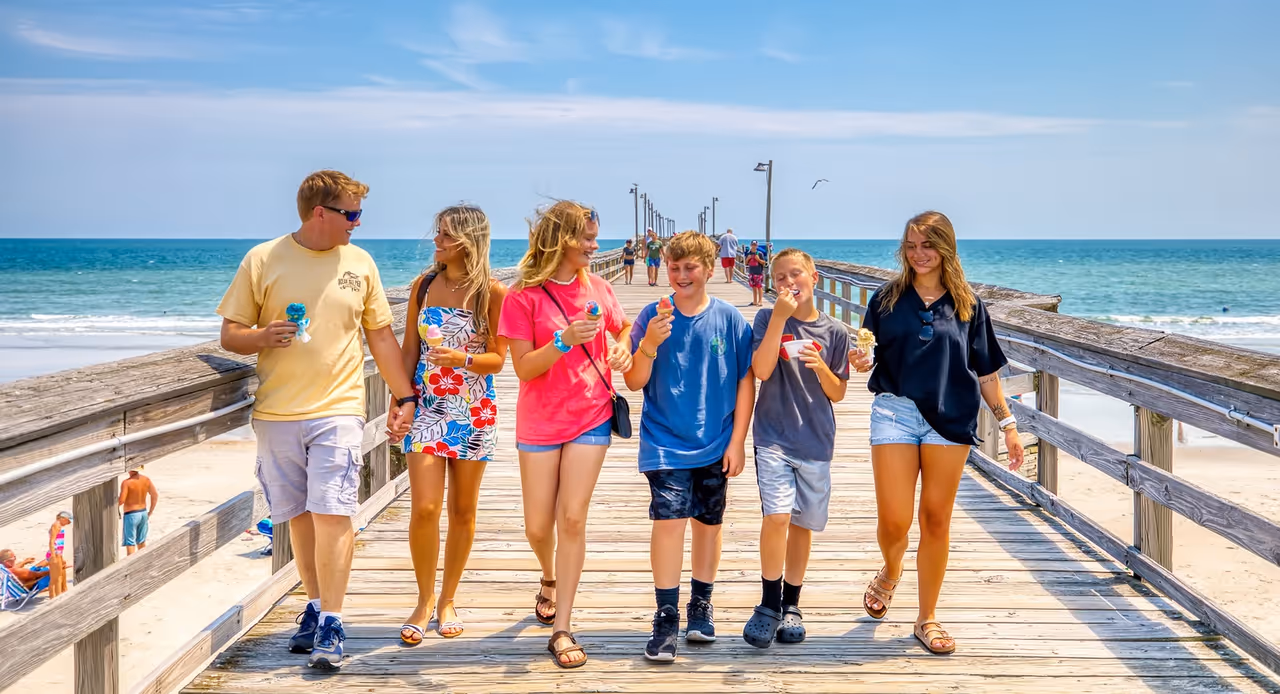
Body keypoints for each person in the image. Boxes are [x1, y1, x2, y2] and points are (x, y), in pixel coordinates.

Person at [217, 170, 416, 671]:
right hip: (277, 412)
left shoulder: (360, 262)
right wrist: (263, 336)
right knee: (299, 520)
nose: (358, 223)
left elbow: (382, 339)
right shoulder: (262, 258)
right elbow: (230, 334)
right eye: (350, 214)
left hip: (339, 408)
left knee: (333, 513)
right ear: (319, 213)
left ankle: (332, 619)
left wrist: (405, 395)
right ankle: (313, 605)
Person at [849, 211, 1024, 655]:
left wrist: (1008, 424)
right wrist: (861, 361)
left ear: (945, 248)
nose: (918, 254)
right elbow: (867, 351)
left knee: (934, 519)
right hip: (895, 412)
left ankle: (926, 618)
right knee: (894, 520)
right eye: (911, 245)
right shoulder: (886, 299)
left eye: (927, 245)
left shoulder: (969, 305)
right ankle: (891, 570)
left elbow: (986, 373)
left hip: (950, 419)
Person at [498, 200, 633, 669]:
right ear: (561, 240)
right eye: (588, 238)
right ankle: (548, 576)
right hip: (539, 420)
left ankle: (563, 628)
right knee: (539, 525)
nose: (595, 246)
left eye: (596, 237)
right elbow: (523, 368)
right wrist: (563, 340)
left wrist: (619, 347)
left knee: (571, 518)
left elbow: (623, 329)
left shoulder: (598, 287)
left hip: (592, 412)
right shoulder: (521, 297)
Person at [624, 231, 754, 662]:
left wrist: (736, 441)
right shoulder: (651, 315)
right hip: (664, 441)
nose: (681, 275)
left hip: (716, 441)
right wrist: (649, 345)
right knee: (668, 523)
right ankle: (665, 613)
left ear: (710, 270)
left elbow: (744, 380)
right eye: (674, 267)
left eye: (690, 267)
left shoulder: (730, 318)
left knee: (709, 524)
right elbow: (634, 380)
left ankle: (701, 603)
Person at [398, 205, 509, 644]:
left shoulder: (492, 293)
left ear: (467, 240)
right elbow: (409, 348)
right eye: (438, 234)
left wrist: (461, 358)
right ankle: (424, 600)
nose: (437, 242)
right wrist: (401, 398)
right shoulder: (423, 286)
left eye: (444, 236)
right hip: (427, 407)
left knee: (463, 510)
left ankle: (448, 599)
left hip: (472, 409)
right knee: (424, 507)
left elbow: (500, 360)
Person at [741, 249, 850, 648]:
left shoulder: (835, 332)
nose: (790, 282)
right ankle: (769, 603)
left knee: (803, 524)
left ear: (814, 277)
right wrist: (780, 319)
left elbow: (838, 391)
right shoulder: (767, 319)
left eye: (797, 274)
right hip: (773, 436)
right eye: (782, 277)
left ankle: (792, 604)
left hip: (816, 440)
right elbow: (763, 370)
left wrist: (821, 366)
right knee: (777, 517)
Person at [119, 466, 159, 556]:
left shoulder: (126, 483)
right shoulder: (146, 480)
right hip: (143, 513)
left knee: (130, 542)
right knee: (141, 541)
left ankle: (130, 567)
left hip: (131, 514)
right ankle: (143, 564)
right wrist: (150, 511)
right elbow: (155, 495)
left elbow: (121, 500)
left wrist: (111, 505)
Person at [46, 510, 72, 599]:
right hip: (54, 554)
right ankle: (55, 598)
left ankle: (57, 596)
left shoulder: (59, 525)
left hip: (58, 554)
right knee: (56, 578)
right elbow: (52, 541)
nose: (69, 523)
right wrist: (53, 556)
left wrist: (61, 557)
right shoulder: (56, 525)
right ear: (63, 518)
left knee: (59, 576)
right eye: (68, 521)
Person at [744, 240, 768, 307]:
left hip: (758, 272)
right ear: (751, 245)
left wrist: (758, 260)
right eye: (753, 245)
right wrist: (747, 259)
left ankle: (760, 301)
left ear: (757, 246)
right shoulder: (749, 253)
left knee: (759, 287)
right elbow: (745, 263)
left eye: (755, 245)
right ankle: (754, 301)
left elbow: (764, 263)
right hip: (751, 272)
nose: (754, 246)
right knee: (753, 287)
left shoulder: (759, 253)